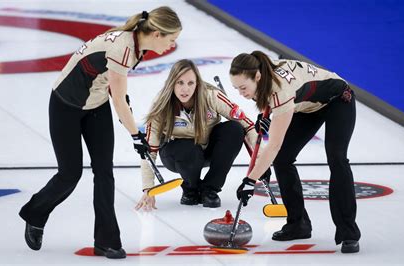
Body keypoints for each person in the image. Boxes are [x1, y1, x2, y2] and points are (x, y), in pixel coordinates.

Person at [18, 6, 182, 259]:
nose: (173, 45)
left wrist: (132, 127)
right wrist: (136, 136)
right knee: (69, 174)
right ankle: (35, 212)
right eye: (172, 40)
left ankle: (107, 241)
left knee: (104, 172)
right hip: (66, 105)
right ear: (157, 34)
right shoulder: (124, 47)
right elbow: (118, 100)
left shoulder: (138, 46)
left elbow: (116, 91)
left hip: (96, 105)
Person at [231, 51, 361, 253]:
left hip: (338, 99)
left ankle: (348, 233)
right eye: (236, 89)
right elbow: (275, 99)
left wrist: (250, 180)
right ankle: (297, 224)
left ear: (257, 76)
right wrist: (268, 112)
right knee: (283, 159)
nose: (241, 93)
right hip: (308, 107)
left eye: (243, 88)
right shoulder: (262, 70)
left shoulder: (279, 89)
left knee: (337, 158)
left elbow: (273, 144)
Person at [134, 59, 259, 211]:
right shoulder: (161, 105)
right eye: (180, 82)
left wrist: (260, 155)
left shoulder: (211, 96)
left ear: (197, 83)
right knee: (188, 147)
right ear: (171, 82)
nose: (185, 89)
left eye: (190, 83)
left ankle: (209, 189)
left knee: (235, 129)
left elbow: (248, 125)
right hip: (177, 155)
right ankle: (190, 189)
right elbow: (149, 150)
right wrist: (148, 189)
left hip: (206, 149)